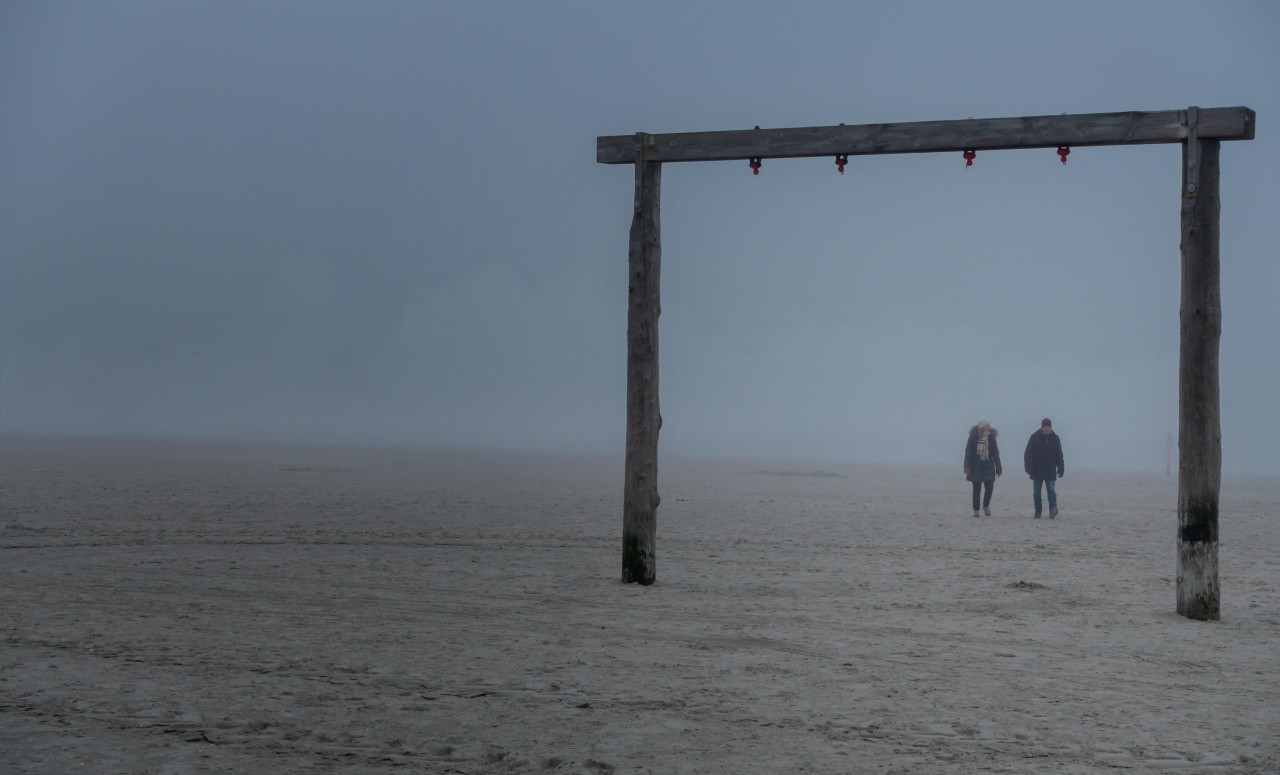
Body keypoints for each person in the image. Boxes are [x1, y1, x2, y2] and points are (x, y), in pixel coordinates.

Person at [1023, 417, 1065, 518]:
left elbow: (1059, 454)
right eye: (1045, 427)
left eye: (1048, 427)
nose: (1047, 429)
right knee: (1037, 493)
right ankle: (1038, 511)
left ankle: (1052, 510)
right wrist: (1028, 466)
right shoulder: (1034, 437)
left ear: (1051, 427)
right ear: (1041, 427)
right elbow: (1027, 453)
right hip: (1037, 469)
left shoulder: (1055, 438)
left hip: (1050, 470)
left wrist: (1061, 467)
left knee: (1051, 490)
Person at [963, 419, 1002, 517]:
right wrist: (966, 465)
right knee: (976, 489)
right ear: (981, 427)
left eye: (989, 425)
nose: (988, 426)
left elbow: (995, 453)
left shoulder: (991, 437)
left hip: (988, 466)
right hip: (975, 466)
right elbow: (968, 452)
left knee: (989, 488)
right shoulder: (973, 437)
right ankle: (976, 510)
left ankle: (986, 505)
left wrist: (999, 467)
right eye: (986, 425)